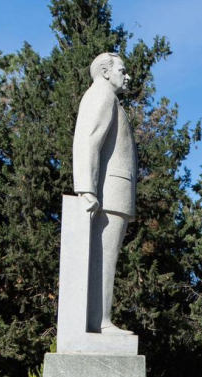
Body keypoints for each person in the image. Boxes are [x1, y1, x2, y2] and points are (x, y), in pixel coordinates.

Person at [72, 52, 138, 335]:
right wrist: (86, 188)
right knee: (104, 257)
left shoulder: (108, 98)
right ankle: (100, 322)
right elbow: (88, 141)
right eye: (122, 70)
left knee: (106, 257)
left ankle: (100, 320)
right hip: (108, 194)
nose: (127, 76)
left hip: (114, 194)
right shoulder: (102, 95)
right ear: (105, 71)